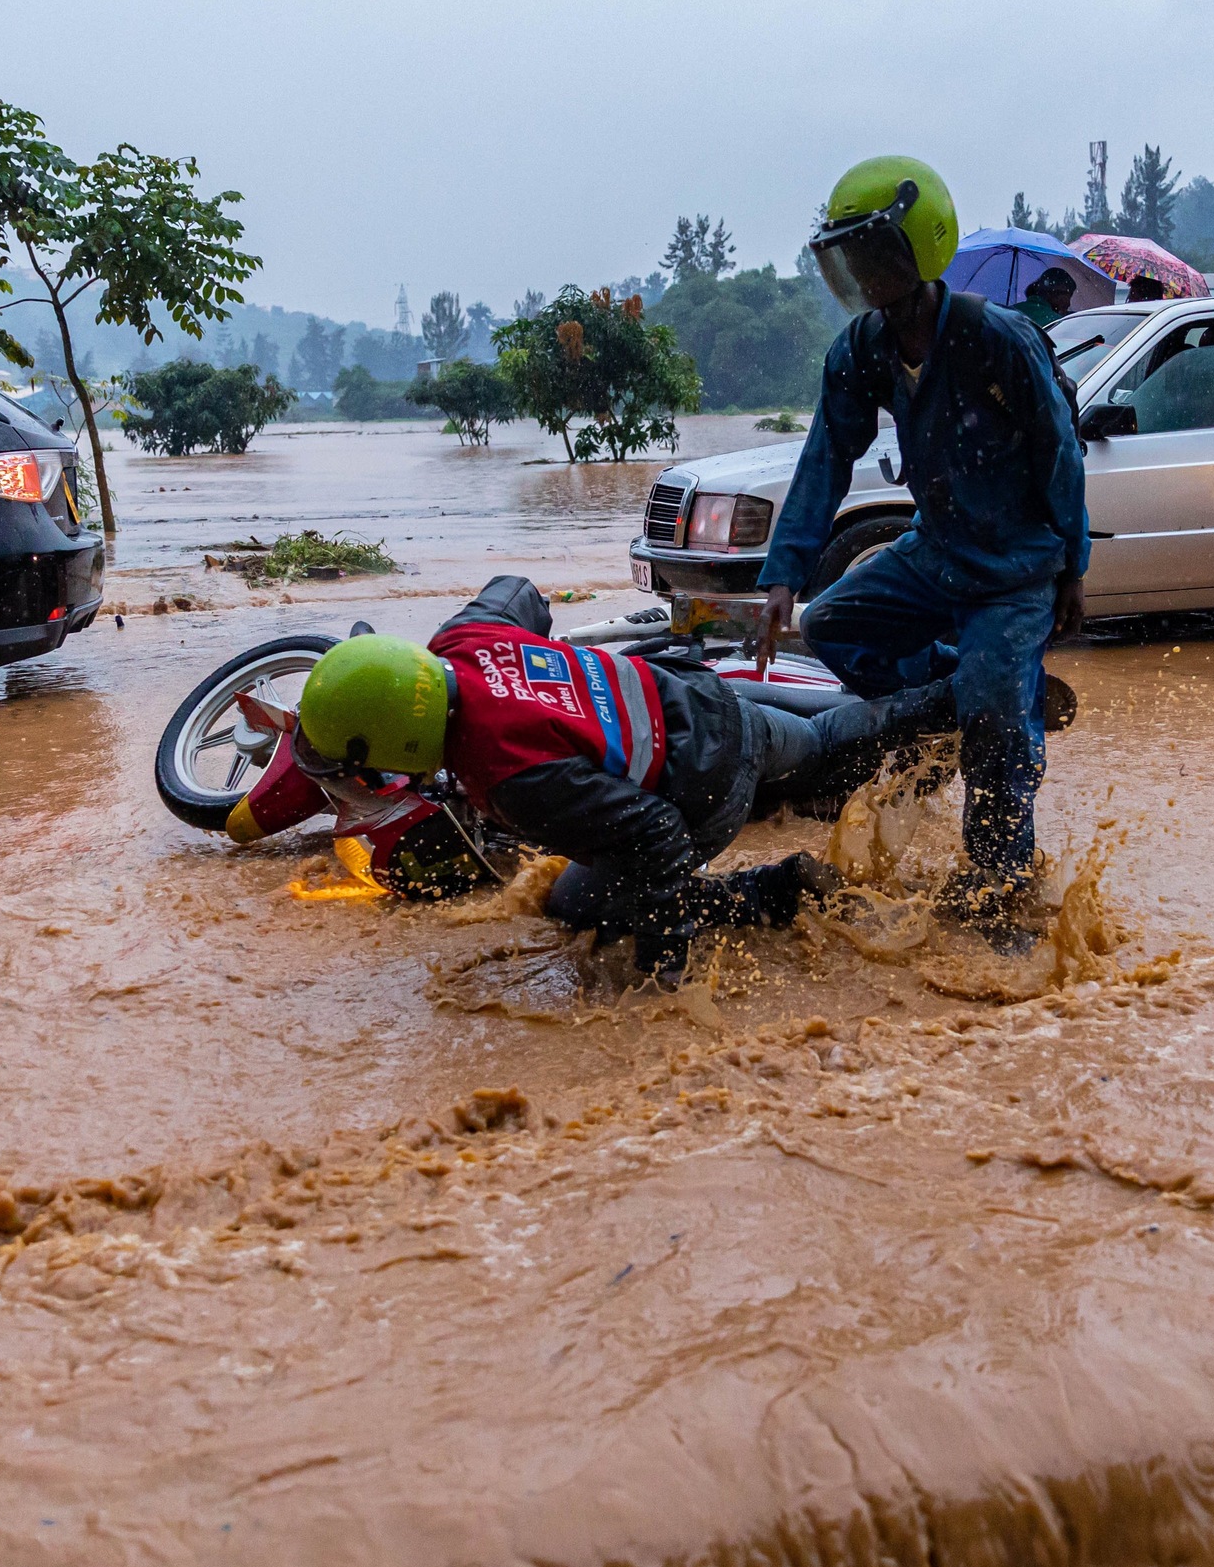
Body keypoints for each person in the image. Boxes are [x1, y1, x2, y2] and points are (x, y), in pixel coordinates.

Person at [293, 577, 953, 981]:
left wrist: (663, 963)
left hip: (706, 793)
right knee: (818, 743)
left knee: (573, 904)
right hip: (711, 705)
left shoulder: (509, 776)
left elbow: (658, 838)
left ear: (395, 738)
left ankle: (775, 892)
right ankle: (959, 701)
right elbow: (519, 590)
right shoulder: (463, 639)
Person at [762, 154, 1085, 947]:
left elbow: (1060, 454)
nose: (864, 274)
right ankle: (966, 690)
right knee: (834, 625)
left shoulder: (996, 339)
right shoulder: (861, 351)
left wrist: (1073, 566)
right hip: (934, 552)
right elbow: (825, 459)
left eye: (875, 253)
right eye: (851, 258)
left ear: (920, 244)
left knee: (1000, 737)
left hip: (1013, 575)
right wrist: (783, 575)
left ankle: (1001, 887)